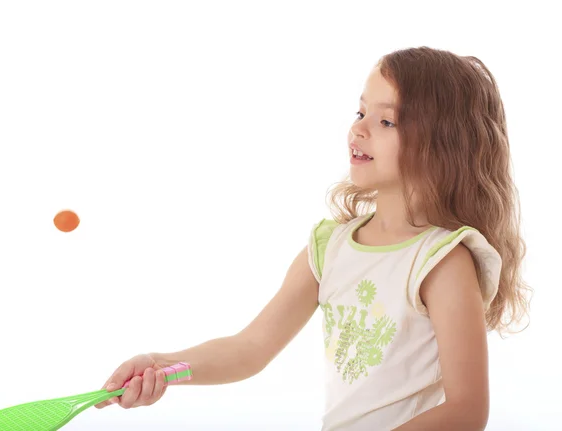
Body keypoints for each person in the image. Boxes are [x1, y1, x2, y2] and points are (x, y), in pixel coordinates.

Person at [95, 46, 531, 430]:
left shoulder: (441, 261)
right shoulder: (332, 247)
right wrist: (163, 365)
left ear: (443, 144)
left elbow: (466, 410)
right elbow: (250, 348)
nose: (358, 130)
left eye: (386, 120)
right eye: (361, 112)